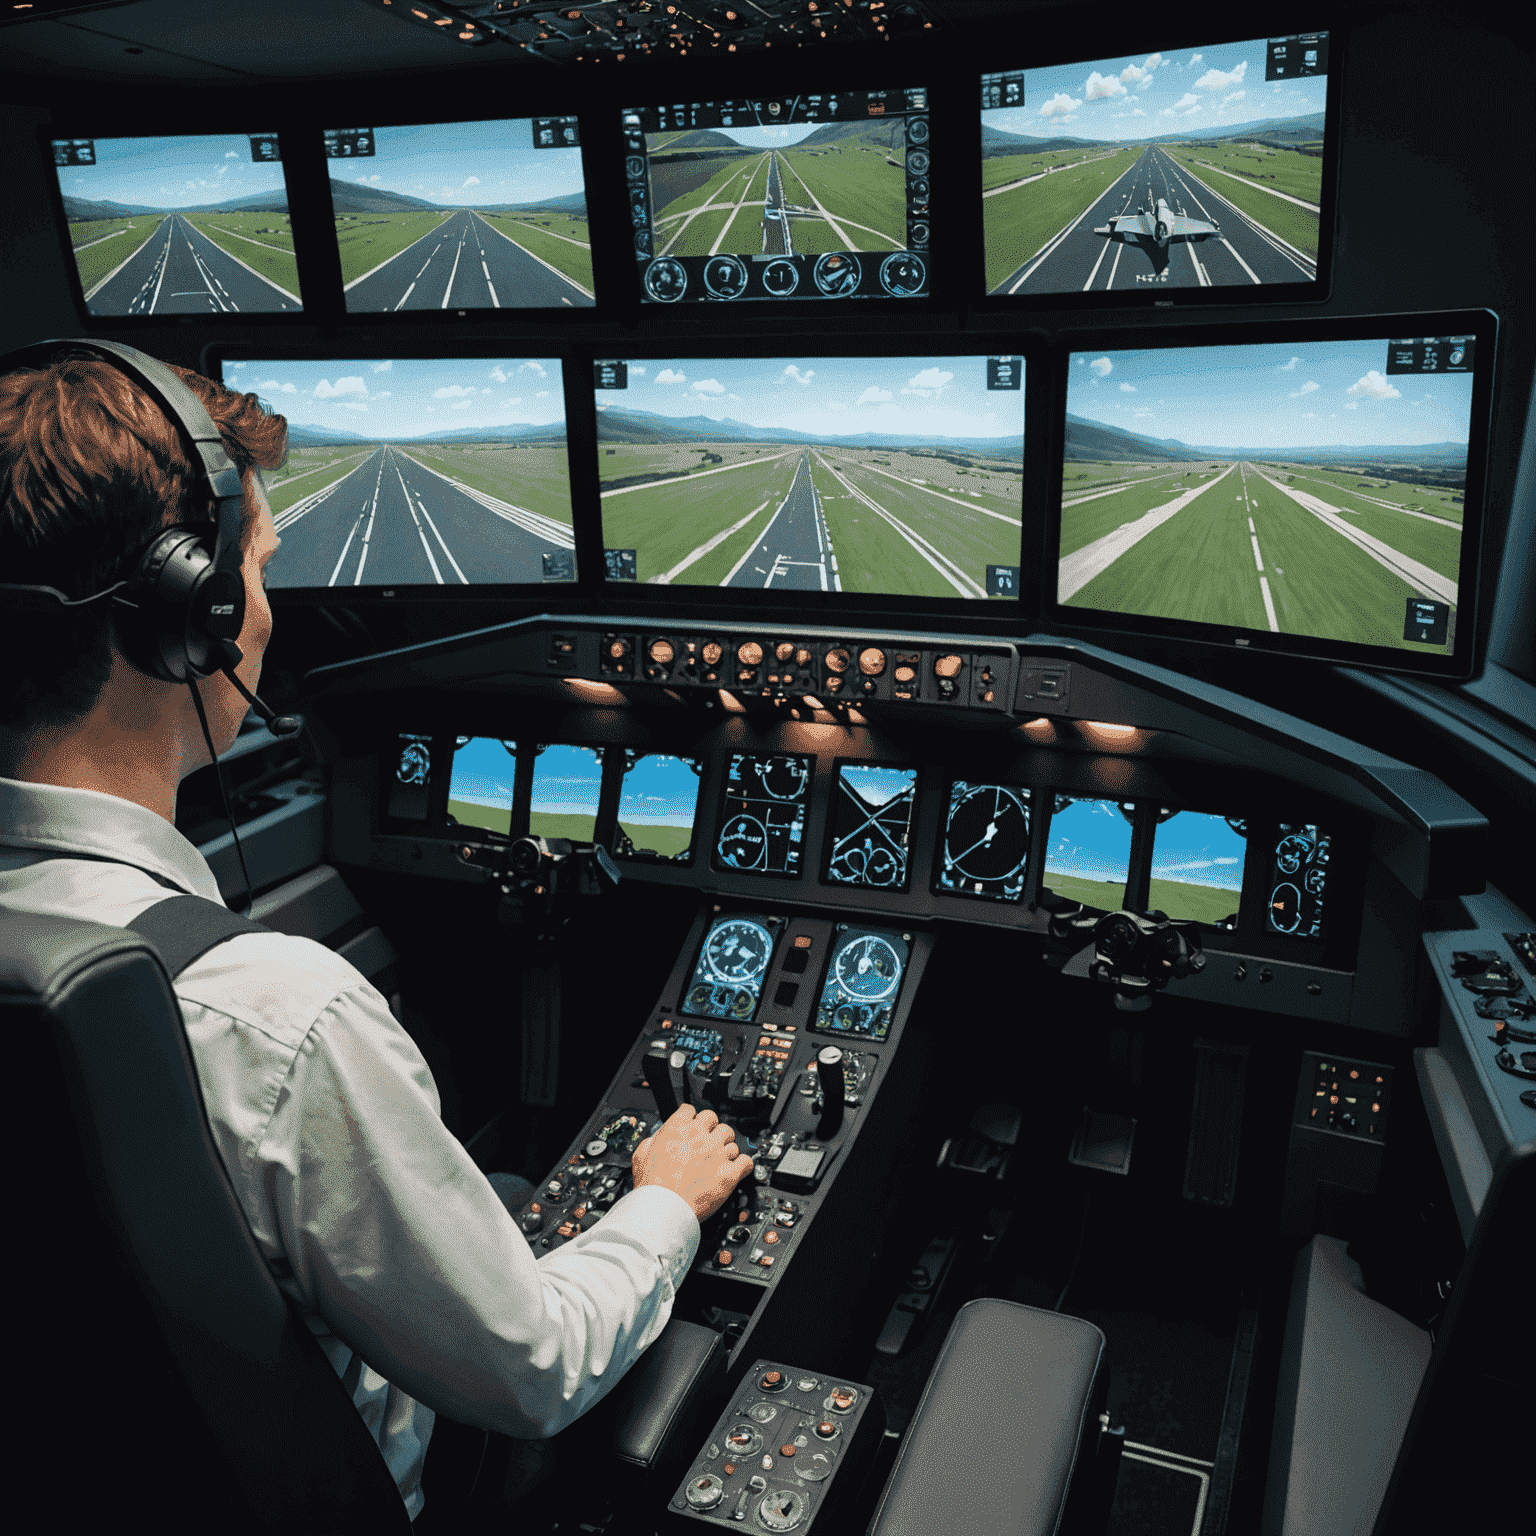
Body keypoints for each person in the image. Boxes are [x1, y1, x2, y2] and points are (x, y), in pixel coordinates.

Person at [0, 352, 754, 1523]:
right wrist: (664, 1199)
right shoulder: (273, 1016)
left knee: (507, 1186)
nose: (263, 606)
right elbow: (534, 1369)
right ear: (186, 623)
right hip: (364, 1487)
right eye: (253, 570)